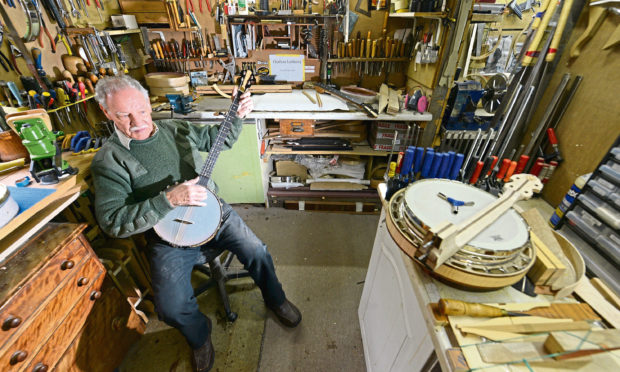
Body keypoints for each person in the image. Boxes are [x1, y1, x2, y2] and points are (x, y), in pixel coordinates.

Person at [91, 75, 301, 372]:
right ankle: (200, 337)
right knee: (171, 307)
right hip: (169, 238)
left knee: (257, 251)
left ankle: (276, 298)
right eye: (123, 114)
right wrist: (168, 199)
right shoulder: (109, 161)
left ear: (149, 103)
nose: (136, 121)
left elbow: (221, 139)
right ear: (107, 113)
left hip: (213, 213)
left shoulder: (175, 129)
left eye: (139, 109)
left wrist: (237, 114)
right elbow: (113, 222)